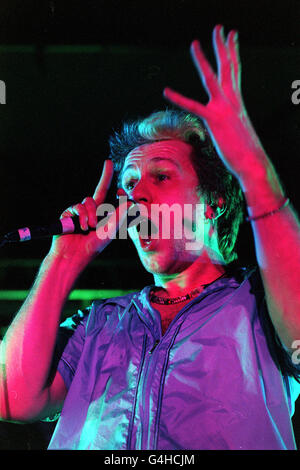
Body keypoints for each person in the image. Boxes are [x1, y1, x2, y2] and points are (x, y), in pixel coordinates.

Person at [1, 25, 300, 450]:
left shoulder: (259, 306)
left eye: (160, 176)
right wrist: (63, 260)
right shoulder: (100, 322)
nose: (135, 194)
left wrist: (253, 172)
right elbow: (11, 398)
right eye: (129, 183)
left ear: (213, 201)